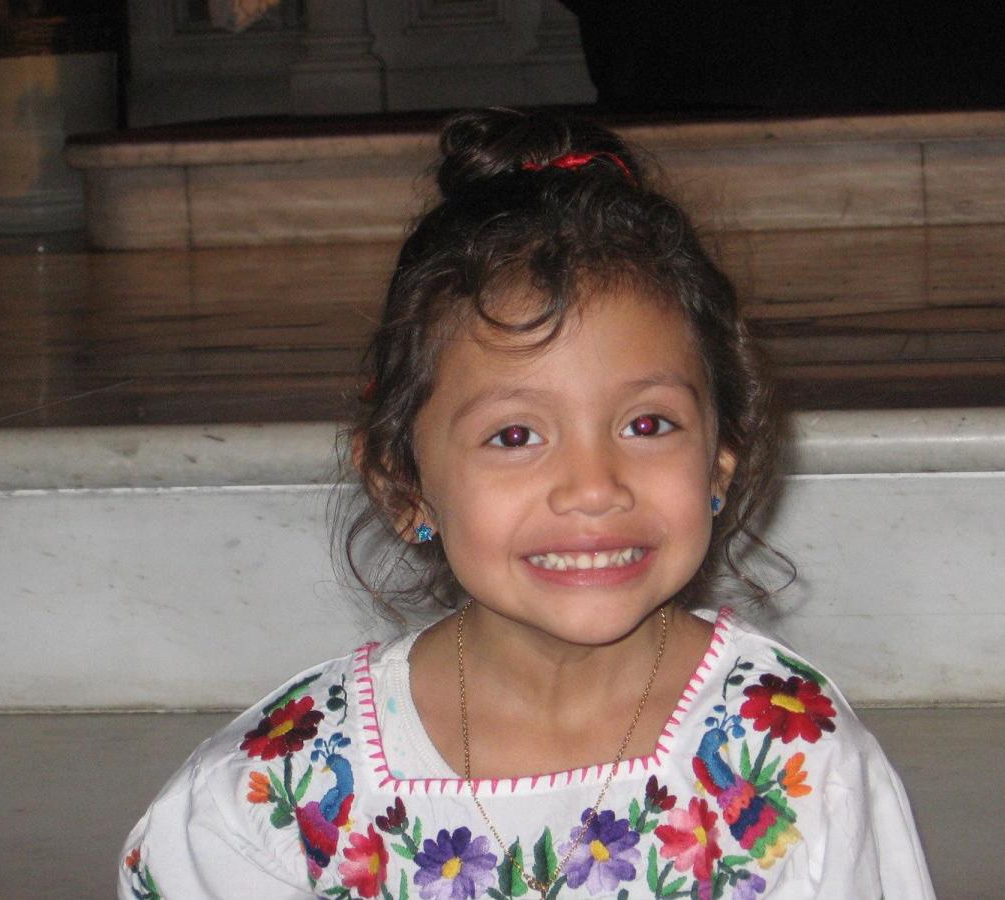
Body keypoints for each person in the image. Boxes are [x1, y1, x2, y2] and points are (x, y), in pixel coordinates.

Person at [119, 108, 935, 900]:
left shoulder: (792, 764)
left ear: (721, 458)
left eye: (647, 424)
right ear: (404, 484)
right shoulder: (280, 798)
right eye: (514, 436)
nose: (594, 486)